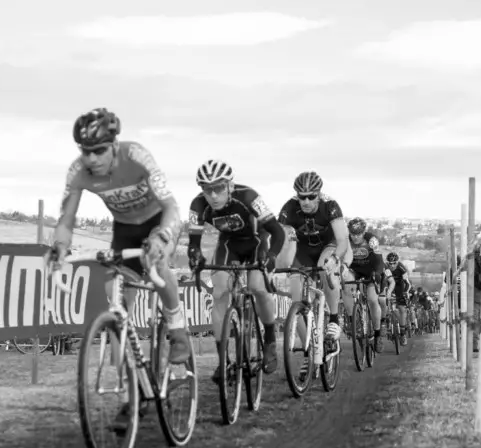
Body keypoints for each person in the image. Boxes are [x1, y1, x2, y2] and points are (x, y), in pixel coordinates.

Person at [47, 108, 190, 368]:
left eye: (99, 150)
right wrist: (59, 247)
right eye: (85, 151)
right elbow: (66, 219)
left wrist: (162, 236)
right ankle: (131, 388)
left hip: (158, 221)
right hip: (124, 229)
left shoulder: (136, 156)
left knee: (156, 264)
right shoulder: (78, 171)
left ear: (114, 144)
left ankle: (177, 328)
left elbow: (171, 206)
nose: (91, 158)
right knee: (115, 296)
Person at [187, 159, 286, 383]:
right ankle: (224, 362)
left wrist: (271, 257)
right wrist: (195, 255)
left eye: (219, 188)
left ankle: (270, 339)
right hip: (228, 245)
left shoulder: (249, 196)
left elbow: (277, 232)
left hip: (256, 242)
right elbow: (193, 242)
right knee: (220, 290)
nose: (213, 195)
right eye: (207, 189)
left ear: (230, 186)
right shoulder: (197, 205)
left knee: (257, 287)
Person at [276, 171, 349, 356]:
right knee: (296, 300)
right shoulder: (289, 208)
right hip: (302, 251)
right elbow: (280, 241)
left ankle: (333, 319)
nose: (306, 201)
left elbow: (342, 240)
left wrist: (335, 259)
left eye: (311, 197)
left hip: (328, 246)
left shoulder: (330, 206)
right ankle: (310, 352)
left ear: (319, 194)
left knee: (325, 267)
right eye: (302, 197)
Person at [341, 218, 385, 352]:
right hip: (354, 270)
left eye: (358, 234)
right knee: (346, 284)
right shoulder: (346, 240)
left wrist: (377, 273)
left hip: (371, 271)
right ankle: (352, 321)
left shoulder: (371, 240)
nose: (355, 237)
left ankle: (377, 335)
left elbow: (379, 260)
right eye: (353, 234)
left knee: (372, 299)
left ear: (363, 232)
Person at [386, 251, 412, 345]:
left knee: (402, 309)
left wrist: (405, 292)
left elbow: (408, 284)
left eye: (394, 263)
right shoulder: (385, 267)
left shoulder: (401, 268)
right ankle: (387, 323)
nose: (392, 265)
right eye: (390, 263)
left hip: (400, 287)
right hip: (388, 286)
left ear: (397, 262)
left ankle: (403, 334)